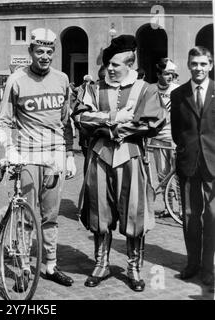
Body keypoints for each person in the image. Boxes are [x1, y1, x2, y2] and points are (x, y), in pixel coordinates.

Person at [73, 35, 166, 292]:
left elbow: (152, 122)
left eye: (115, 65)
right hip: (100, 157)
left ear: (130, 63)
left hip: (131, 157)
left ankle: (134, 268)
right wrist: (114, 117)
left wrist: (111, 127)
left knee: (134, 213)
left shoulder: (145, 89)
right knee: (99, 211)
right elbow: (81, 117)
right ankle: (101, 264)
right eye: (108, 64)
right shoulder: (93, 88)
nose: (110, 69)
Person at [0, 28, 77, 291]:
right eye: (39, 51)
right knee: (26, 216)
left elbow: (65, 122)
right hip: (28, 154)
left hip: (54, 155)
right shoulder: (16, 80)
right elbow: (4, 121)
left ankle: (50, 265)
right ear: (30, 52)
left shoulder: (63, 79)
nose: (45, 56)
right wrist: (9, 149)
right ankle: (22, 267)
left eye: (49, 51)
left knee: (51, 215)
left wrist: (69, 154)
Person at [171, 46, 215, 286]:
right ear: (188, 65)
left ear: (210, 65)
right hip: (188, 162)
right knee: (189, 215)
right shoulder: (178, 95)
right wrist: (187, 149)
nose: (198, 68)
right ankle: (192, 264)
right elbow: (177, 130)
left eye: (203, 64)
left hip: (213, 163)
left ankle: (208, 267)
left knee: (212, 215)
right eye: (194, 64)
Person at [149, 58, 179, 217]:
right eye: (167, 74)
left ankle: (181, 210)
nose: (170, 77)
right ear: (159, 73)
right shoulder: (151, 90)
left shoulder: (178, 90)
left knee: (179, 175)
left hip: (175, 139)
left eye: (172, 75)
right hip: (158, 139)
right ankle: (169, 208)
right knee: (162, 174)